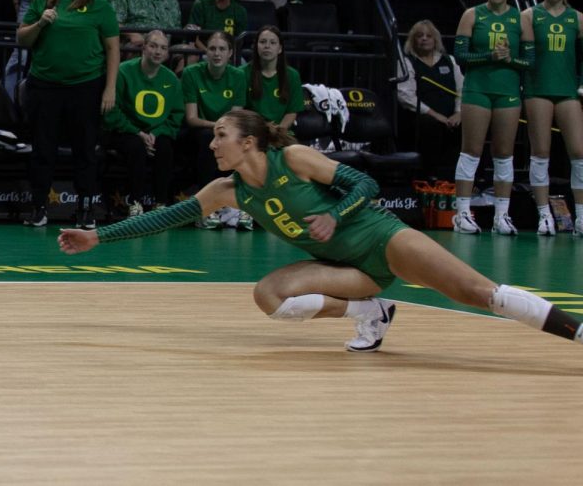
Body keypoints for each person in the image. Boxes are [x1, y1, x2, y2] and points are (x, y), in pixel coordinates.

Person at [59, 108, 583, 352]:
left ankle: (577, 332)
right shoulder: (228, 190)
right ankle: (372, 312)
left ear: (249, 142)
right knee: (270, 297)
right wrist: (98, 236)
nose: (212, 143)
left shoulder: (293, 157)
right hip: (347, 271)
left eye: (221, 135)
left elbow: (365, 182)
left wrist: (337, 215)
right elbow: (167, 217)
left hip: (383, 241)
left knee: (476, 292)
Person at [17, 0, 120, 230]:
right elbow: (22, 39)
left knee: (85, 150)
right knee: (43, 150)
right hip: (45, 87)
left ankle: (85, 208)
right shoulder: (43, 0)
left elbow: (112, 48)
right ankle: (39, 207)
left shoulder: (100, 5)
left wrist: (110, 87)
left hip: (86, 87)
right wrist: (40, 23)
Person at [451, 0, 534, 235]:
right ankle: (462, 213)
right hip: (477, 90)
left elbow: (529, 62)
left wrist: (509, 60)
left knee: (504, 153)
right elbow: (460, 55)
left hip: (508, 92)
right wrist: (490, 56)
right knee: (471, 150)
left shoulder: (520, 18)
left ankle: (502, 215)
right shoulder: (472, 15)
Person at [521, 0, 583, 236]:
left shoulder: (578, 19)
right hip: (538, 90)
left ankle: (581, 215)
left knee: (579, 152)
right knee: (541, 152)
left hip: (568, 90)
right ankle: (544, 215)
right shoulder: (530, 15)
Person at [103, 29, 183, 216]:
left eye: (163, 48)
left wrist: (156, 134)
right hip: (125, 131)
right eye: (153, 46)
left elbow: (176, 115)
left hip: (156, 132)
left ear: (167, 53)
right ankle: (135, 202)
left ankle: (161, 204)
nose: (157, 51)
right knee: (136, 147)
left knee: (164, 148)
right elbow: (112, 110)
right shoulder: (123, 71)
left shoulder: (171, 79)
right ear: (144, 48)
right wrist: (137, 132)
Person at [180, 30, 250, 228]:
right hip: (198, 133)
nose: (217, 53)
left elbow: (236, 118)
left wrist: (222, 131)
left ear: (230, 53)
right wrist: (218, 128)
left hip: (227, 131)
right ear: (206, 52)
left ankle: (234, 206)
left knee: (237, 140)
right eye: (212, 48)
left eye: (222, 49)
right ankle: (204, 207)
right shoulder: (191, 73)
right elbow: (192, 118)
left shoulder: (238, 76)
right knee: (208, 139)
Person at [396, 19, 462, 182]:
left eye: (428, 36)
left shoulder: (450, 61)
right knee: (430, 125)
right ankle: (429, 176)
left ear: (435, 39)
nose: (424, 39)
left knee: (473, 123)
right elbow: (406, 96)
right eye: (420, 36)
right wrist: (435, 115)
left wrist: (459, 113)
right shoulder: (407, 62)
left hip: (451, 115)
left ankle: (468, 179)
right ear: (413, 40)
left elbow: (463, 90)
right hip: (420, 115)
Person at [239, 25, 302, 131]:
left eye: (273, 43)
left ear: (280, 49)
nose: (267, 46)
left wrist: (279, 131)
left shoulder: (292, 75)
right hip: (252, 131)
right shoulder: (241, 73)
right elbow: (239, 111)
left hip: (281, 133)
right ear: (256, 46)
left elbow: (291, 112)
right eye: (263, 42)